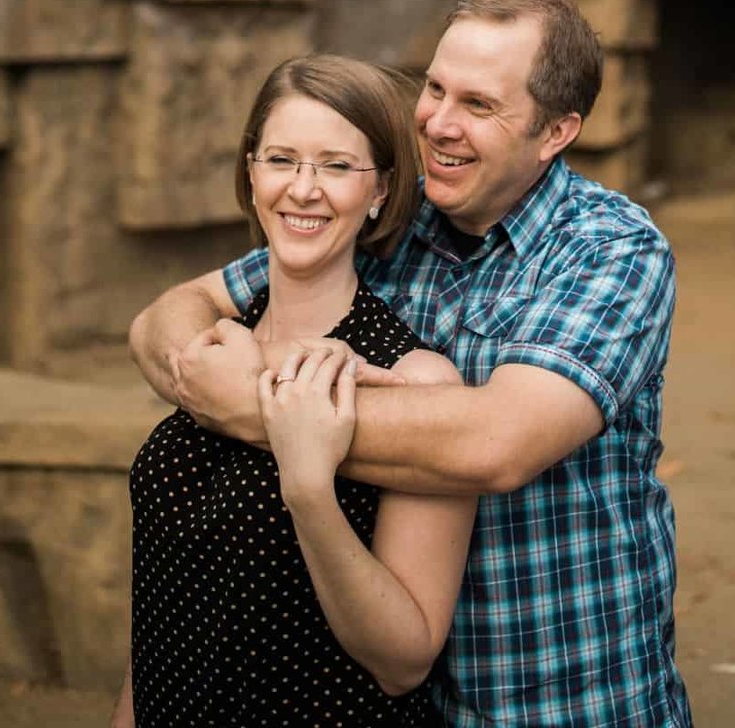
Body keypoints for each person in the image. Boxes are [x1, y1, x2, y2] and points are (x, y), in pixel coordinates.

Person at [131, 0, 694, 728]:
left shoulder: (610, 251)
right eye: (434, 88)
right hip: (389, 697)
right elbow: (173, 314)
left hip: (552, 693)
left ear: (556, 132)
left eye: (480, 105)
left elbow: (499, 444)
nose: (437, 123)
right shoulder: (390, 211)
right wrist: (202, 359)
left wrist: (256, 406)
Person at [114, 54, 475, 727]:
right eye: (281, 159)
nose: (303, 189)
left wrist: (310, 493)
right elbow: (167, 601)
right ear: (251, 173)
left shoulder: (413, 377)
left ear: (379, 192)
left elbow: (404, 661)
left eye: (337, 166)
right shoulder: (214, 351)